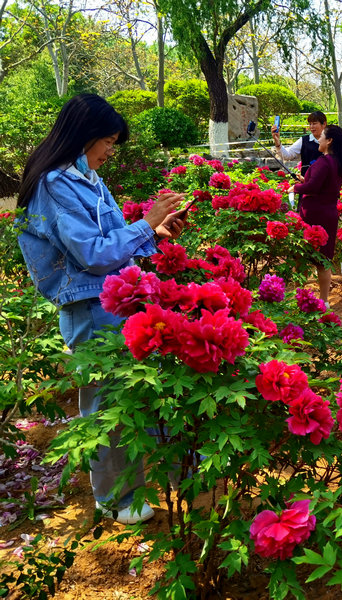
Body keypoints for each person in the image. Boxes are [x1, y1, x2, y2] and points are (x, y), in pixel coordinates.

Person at [16, 94, 186, 525]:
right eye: (108, 140)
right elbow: (91, 254)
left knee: (130, 399)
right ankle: (113, 498)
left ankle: (138, 482)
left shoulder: (86, 176)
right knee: (108, 408)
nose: (111, 151)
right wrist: (145, 222)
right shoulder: (54, 184)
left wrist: (157, 232)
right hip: (89, 309)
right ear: (84, 134)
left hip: (114, 302)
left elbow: (110, 238)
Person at [288, 125, 342, 305]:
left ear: (329, 141)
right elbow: (322, 185)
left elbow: (313, 188)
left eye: (321, 136)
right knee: (324, 259)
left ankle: (299, 297)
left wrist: (296, 187)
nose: (318, 139)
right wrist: (306, 181)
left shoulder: (324, 161)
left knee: (302, 257)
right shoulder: (338, 162)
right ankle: (324, 301)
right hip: (329, 213)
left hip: (314, 214)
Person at [272, 111, 326, 176]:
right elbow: (287, 155)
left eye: (314, 123)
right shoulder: (304, 140)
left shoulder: (331, 140)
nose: (311, 127)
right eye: (310, 124)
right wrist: (277, 142)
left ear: (324, 124)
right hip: (307, 182)